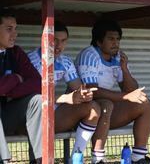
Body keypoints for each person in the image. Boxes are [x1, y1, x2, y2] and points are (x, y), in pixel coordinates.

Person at [75, 18, 150, 164]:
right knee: (105, 104)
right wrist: (126, 97)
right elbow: (92, 91)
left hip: (106, 112)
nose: (115, 43)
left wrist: (124, 69)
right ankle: (98, 159)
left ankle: (138, 157)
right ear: (98, 42)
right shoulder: (89, 55)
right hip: (82, 111)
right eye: (110, 39)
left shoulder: (117, 57)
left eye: (118, 39)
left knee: (145, 103)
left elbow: (132, 90)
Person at [27, 21, 105, 162]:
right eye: (54, 41)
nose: (58, 46)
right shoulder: (31, 60)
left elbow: (77, 87)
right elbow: (33, 99)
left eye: (63, 41)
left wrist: (84, 95)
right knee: (40, 105)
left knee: (93, 107)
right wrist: (66, 98)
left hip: (51, 111)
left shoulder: (65, 61)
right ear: (44, 40)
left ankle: (76, 158)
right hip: (30, 115)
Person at [0, 9, 42, 164]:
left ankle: (40, 160)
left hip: (6, 117)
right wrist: (15, 78)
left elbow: (38, 83)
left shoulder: (16, 53)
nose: (15, 34)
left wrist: (8, 91)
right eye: (9, 29)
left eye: (15, 29)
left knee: (38, 100)